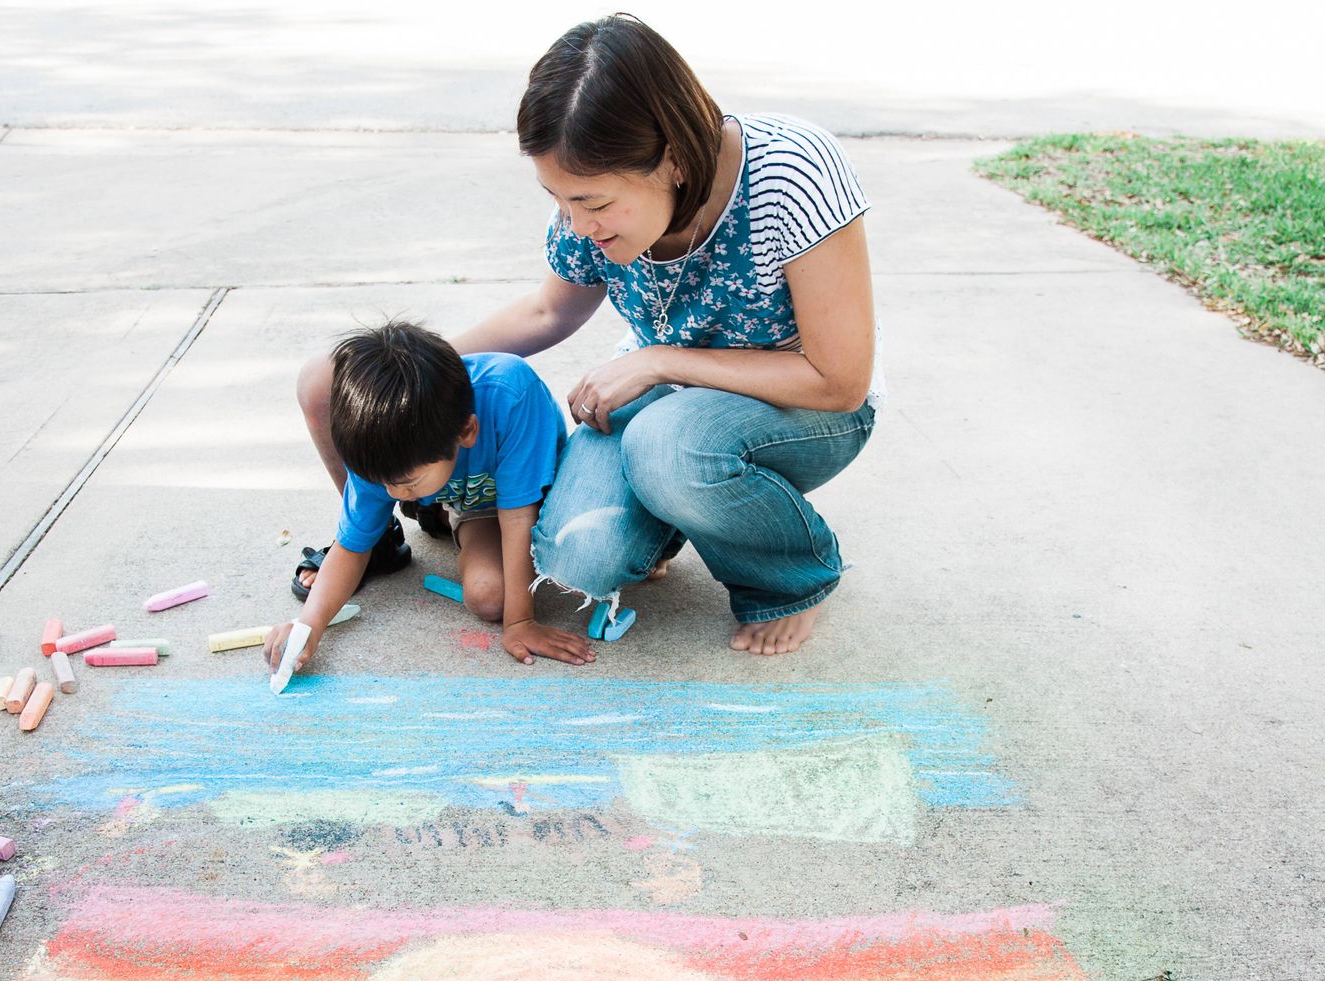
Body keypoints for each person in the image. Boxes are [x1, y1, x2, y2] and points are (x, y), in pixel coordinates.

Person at [297, 13, 882, 656]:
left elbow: (840, 382)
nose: (576, 225)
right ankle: (679, 508)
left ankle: (790, 579)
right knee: (576, 558)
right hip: (662, 394)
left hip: (801, 406)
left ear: (674, 158)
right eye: (559, 199)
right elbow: (549, 312)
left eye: (595, 204)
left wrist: (661, 361)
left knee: (668, 448)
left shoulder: (792, 172)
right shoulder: (586, 207)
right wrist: (403, 374)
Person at [272, 321, 596, 674]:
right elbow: (351, 546)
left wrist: (520, 622)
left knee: (565, 564)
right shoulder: (376, 449)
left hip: (537, 495)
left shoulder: (510, 395)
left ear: (467, 432)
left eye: (407, 484)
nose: (394, 495)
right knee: (489, 597)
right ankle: (436, 508)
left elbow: (519, 514)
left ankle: (435, 508)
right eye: (385, 484)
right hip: (478, 504)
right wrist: (308, 626)